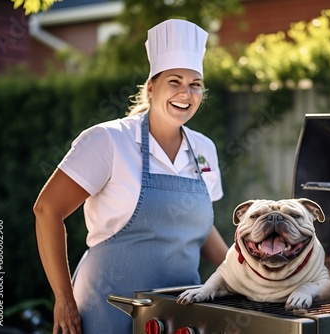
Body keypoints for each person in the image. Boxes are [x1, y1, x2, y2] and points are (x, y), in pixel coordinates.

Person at [33, 19, 229, 333]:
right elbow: (47, 210)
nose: (186, 93)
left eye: (195, 84)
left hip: (177, 314)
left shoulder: (204, 149)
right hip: (106, 308)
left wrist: (246, 276)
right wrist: (63, 299)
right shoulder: (108, 141)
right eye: (175, 81)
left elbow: (201, 231)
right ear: (151, 87)